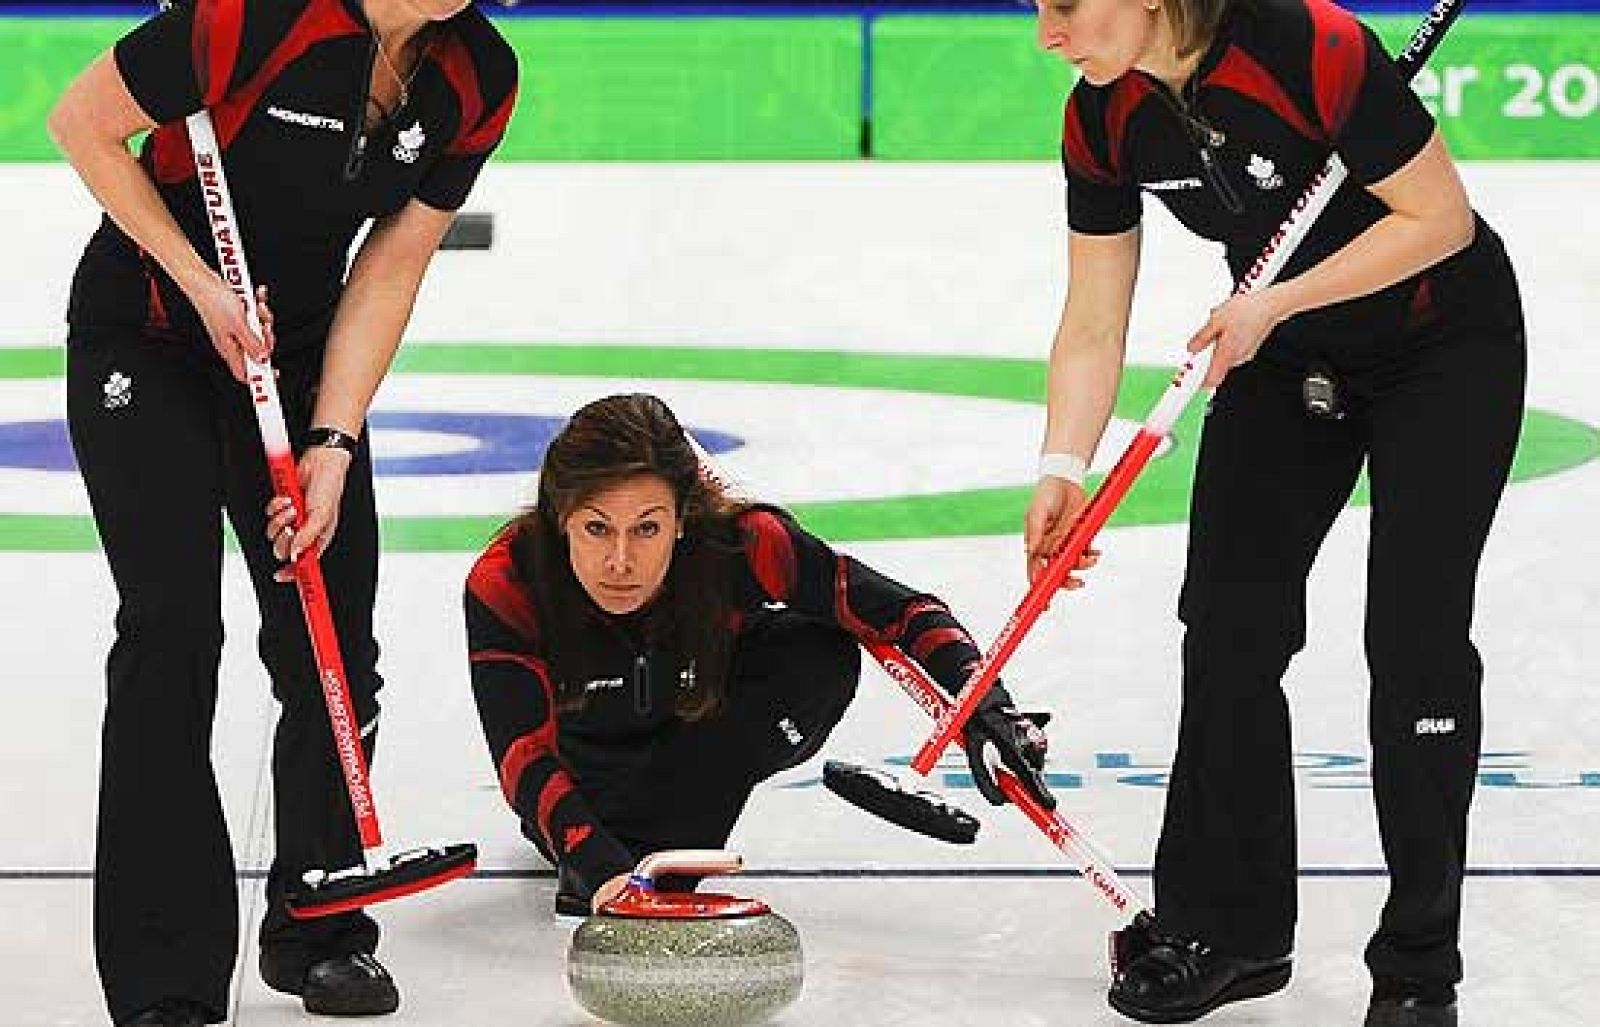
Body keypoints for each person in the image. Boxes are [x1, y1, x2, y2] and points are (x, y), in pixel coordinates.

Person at [1021, 0, 1525, 1024]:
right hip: (1287, 358)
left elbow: (1439, 221)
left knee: (1414, 639)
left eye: (1066, 5)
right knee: (1227, 624)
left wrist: (1274, 301)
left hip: (1440, 342)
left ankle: (1419, 965)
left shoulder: (1311, 48)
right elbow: (1091, 314)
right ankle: (1230, 932)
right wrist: (1061, 464)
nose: (1048, 32)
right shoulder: (1102, 119)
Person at [47, 0, 516, 1021]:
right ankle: (165, 970)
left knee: (330, 637)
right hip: (155, 328)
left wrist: (333, 441)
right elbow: (82, 123)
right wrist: (200, 284)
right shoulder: (253, 17)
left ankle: (320, 925)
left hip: (296, 352)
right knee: (173, 627)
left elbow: (392, 259)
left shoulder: (475, 77)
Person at [465, 393, 1057, 915]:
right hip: (586, 785)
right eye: (596, 529)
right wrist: (595, 862)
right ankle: (630, 849)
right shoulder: (508, 580)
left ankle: (670, 847)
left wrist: (985, 707)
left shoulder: (741, 543)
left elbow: (901, 612)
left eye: (646, 529)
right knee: (594, 830)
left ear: (681, 519)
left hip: (699, 741)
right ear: (560, 517)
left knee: (818, 650)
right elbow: (521, 757)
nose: (620, 561)